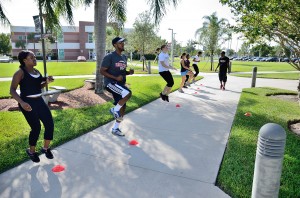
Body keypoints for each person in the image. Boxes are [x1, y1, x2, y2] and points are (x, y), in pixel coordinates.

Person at [10, 50, 55, 163]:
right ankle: (31, 151)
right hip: (28, 103)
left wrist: (47, 81)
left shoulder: (36, 71)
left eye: (35, 57)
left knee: (49, 124)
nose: (35, 59)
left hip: (39, 101)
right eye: (32, 57)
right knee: (36, 128)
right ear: (24, 60)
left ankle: (45, 148)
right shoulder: (20, 72)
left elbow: (39, 86)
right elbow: (12, 90)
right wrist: (21, 103)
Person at [100, 37, 134, 137]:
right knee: (128, 93)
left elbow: (122, 72)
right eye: (120, 42)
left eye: (123, 42)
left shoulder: (123, 57)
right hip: (110, 83)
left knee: (123, 107)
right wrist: (115, 77)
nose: (123, 44)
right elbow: (102, 71)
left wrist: (128, 73)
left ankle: (115, 128)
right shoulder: (110, 56)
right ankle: (114, 110)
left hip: (119, 84)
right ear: (115, 45)